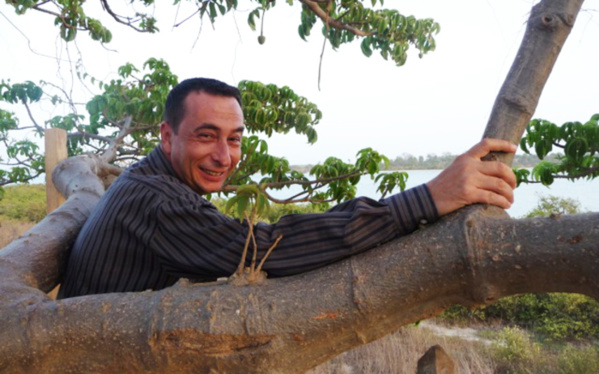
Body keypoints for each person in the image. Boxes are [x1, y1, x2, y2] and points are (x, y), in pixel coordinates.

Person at [58, 78, 516, 298]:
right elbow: (264, 250)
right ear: (166, 136)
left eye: (234, 139)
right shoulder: (157, 200)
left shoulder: (146, 180)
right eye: (206, 135)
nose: (224, 156)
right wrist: (428, 199)